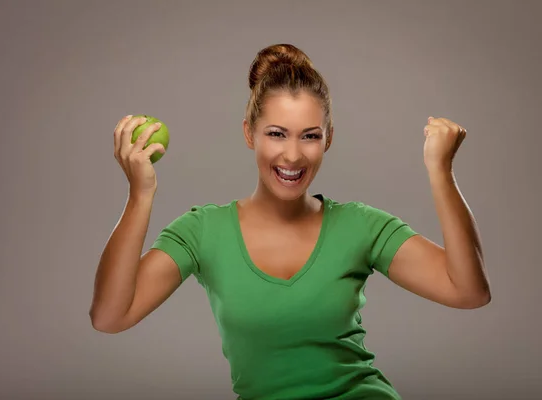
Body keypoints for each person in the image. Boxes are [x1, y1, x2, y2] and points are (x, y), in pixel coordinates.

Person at [89, 43, 491, 400]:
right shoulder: (202, 232)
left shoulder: (360, 226)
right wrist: (140, 195)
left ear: (328, 139)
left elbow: (468, 291)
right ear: (250, 134)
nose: (293, 156)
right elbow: (110, 316)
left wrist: (441, 170)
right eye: (277, 134)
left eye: (310, 136)